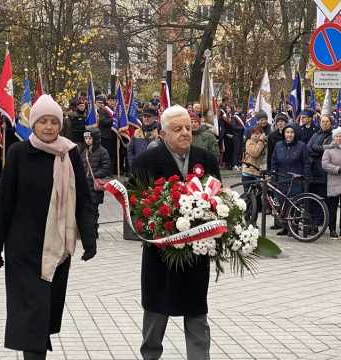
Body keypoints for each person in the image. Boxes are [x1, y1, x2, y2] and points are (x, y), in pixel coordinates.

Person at [0, 94, 97, 360]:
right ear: (33, 123)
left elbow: (84, 199)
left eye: (54, 122)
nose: (48, 127)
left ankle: (37, 345)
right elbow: (5, 201)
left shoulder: (69, 153)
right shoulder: (18, 153)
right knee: (32, 313)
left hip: (57, 248)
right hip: (23, 249)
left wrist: (90, 238)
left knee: (45, 312)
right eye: (43, 122)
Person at [131, 105, 221, 360]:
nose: (185, 133)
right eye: (177, 129)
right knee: (156, 315)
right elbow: (135, 205)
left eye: (188, 128)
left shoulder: (206, 159)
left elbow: (219, 199)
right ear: (162, 133)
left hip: (195, 256)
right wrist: (158, 224)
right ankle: (150, 355)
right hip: (161, 256)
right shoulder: (145, 162)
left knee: (197, 315)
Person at [271, 124, 310, 236]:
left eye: (291, 132)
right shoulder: (278, 145)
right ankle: (285, 227)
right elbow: (274, 162)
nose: (289, 135)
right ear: (284, 134)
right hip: (281, 179)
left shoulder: (301, 146)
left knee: (295, 204)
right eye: (287, 132)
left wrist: (305, 178)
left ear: (295, 134)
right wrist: (273, 175)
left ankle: (294, 227)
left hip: (296, 180)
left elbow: (306, 163)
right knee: (283, 204)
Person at [81, 128, 111, 239]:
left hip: (94, 186)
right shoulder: (84, 151)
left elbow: (106, 168)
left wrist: (93, 174)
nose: (88, 140)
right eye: (86, 138)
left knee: (93, 210)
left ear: (96, 139)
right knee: (85, 209)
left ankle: (93, 230)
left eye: (90, 138)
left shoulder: (102, 152)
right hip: (85, 186)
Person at [322, 127, 341, 239]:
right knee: (332, 207)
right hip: (334, 181)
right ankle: (332, 229)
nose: (339, 138)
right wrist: (337, 169)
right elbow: (324, 164)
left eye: (340, 136)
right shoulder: (329, 149)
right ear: (334, 137)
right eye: (337, 136)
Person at [241, 126, 266, 192]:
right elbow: (255, 153)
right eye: (253, 133)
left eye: (257, 133)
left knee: (258, 196)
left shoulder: (264, 143)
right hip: (248, 172)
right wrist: (261, 141)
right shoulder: (249, 142)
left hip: (258, 174)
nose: (255, 135)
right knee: (248, 196)